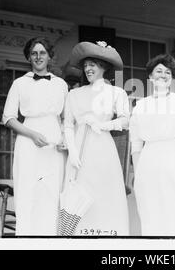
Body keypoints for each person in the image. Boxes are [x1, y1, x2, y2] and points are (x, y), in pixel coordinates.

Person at [2, 37, 68, 236]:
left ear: (49, 57)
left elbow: (66, 118)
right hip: (28, 141)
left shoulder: (61, 84)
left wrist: (64, 138)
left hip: (54, 144)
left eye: (42, 53)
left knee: (52, 191)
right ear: (29, 58)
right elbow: (8, 118)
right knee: (28, 190)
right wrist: (32, 135)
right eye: (34, 53)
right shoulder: (19, 83)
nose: (38, 57)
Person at [63, 41, 130, 236]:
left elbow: (126, 120)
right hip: (80, 150)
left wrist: (103, 125)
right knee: (80, 195)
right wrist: (73, 152)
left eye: (92, 64)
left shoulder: (116, 93)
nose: (88, 69)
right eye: (85, 65)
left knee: (104, 193)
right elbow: (68, 124)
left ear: (103, 66)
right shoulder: (74, 94)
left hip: (103, 148)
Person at [129, 54, 175, 236]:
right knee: (152, 209)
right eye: (158, 71)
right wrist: (138, 174)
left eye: (168, 72)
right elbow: (136, 145)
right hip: (149, 161)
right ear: (150, 77)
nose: (163, 75)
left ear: (172, 78)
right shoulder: (140, 107)